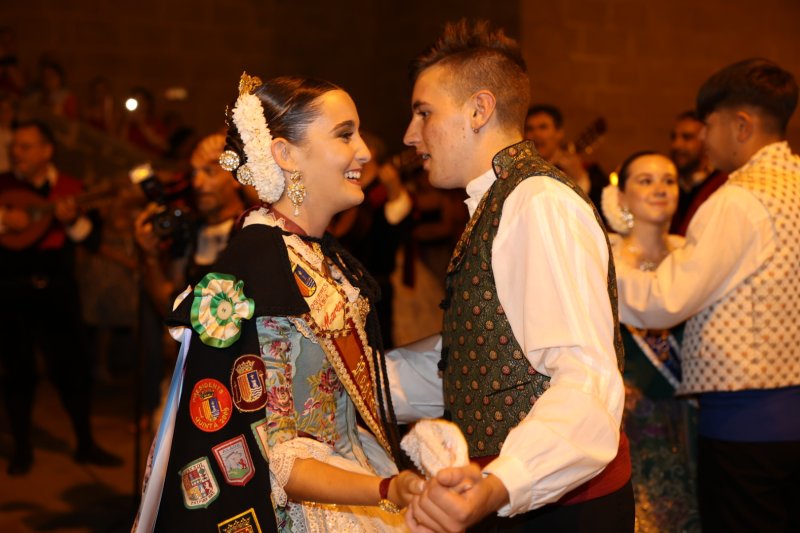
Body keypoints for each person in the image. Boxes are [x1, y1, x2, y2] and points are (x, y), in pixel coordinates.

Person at [134, 73, 423, 532]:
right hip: (307, 511)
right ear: (285, 155)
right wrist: (386, 490)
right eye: (345, 134)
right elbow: (276, 457)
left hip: (358, 474)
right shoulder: (262, 269)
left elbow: (353, 384)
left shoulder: (311, 252)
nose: (365, 151)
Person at [388, 19, 633, 532]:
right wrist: (354, 381)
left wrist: (502, 482)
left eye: (424, 113)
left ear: (479, 109)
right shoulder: (498, 201)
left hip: (559, 508)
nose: (411, 136)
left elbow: (584, 378)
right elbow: (482, 354)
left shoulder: (537, 202)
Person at [615, 58, 800, 532]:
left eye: (708, 126)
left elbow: (665, 300)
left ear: (741, 125)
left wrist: (603, 269)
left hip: (747, 421)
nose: (702, 139)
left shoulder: (737, 199)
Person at [0, 120, 122, 475]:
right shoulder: (4, 186)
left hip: (58, 292)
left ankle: (85, 443)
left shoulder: (72, 188)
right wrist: (6, 221)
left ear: (46, 151)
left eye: (24, 146)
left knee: (73, 371)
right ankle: (22, 448)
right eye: (14, 147)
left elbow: (91, 240)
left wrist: (71, 222)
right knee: (18, 373)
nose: (16, 153)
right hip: (11, 292)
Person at [600, 151, 700, 532]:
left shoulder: (692, 253)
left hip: (689, 413)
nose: (659, 188)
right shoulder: (604, 255)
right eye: (645, 180)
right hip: (629, 416)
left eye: (669, 180)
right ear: (621, 196)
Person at [329, 130, 412, 348]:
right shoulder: (348, 191)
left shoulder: (381, 193)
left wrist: (394, 189)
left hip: (375, 295)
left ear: (370, 152)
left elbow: (397, 219)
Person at [524, 104, 607, 207]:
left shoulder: (592, 172)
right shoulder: (521, 170)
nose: (536, 134)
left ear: (559, 133)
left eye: (543, 127)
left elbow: (602, 210)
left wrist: (578, 176)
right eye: (530, 129)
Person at [668, 110, 727, 235]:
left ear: (705, 140)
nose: (677, 145)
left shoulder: (722, 185)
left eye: (687, 137)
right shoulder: (668, 184)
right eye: (674, 137)